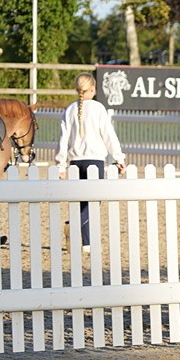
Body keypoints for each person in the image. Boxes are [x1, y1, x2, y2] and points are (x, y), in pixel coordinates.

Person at [56, 73, 126, 245]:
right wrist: (118, 157)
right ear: (93, 89)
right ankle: (73, 226)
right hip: (94, 161)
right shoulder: (98, 108)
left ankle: (86, 243)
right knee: (94, 202)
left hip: (75, 162)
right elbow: (109, 135)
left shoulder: (70, 109)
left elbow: (62, 139)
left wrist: (61, 165)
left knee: (82, 202)